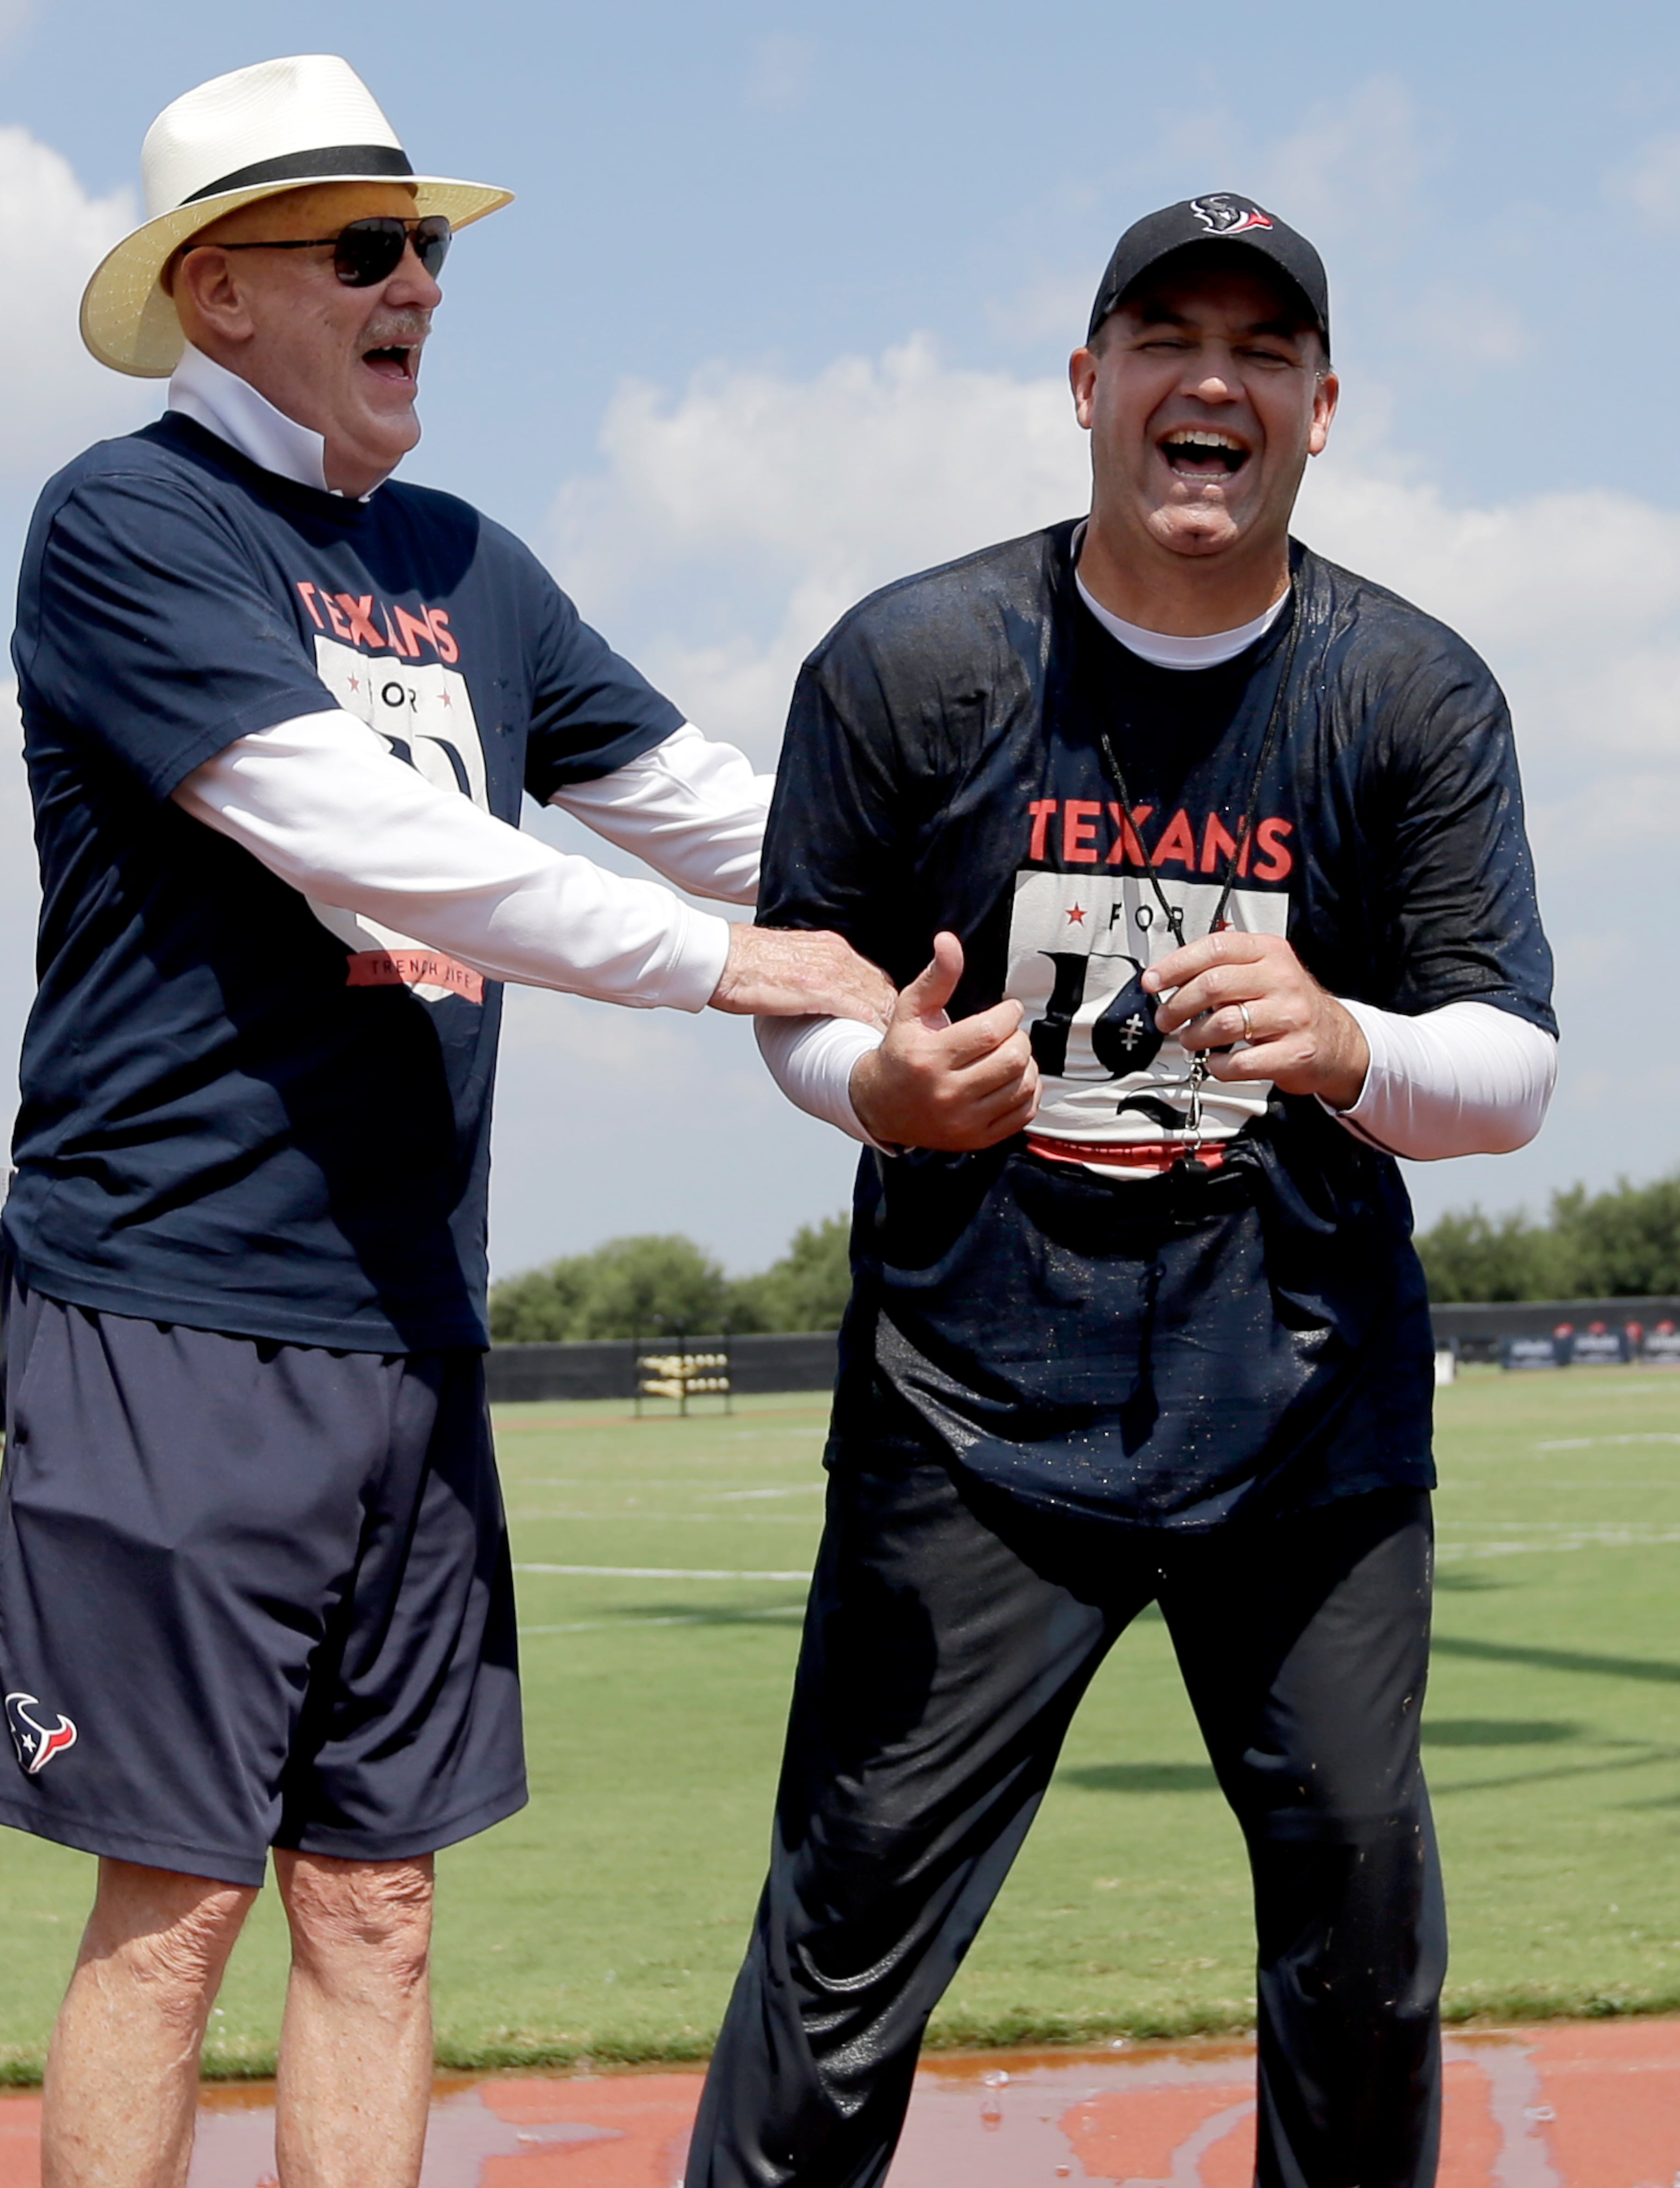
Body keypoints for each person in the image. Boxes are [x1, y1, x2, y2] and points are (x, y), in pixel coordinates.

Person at [0, 54, 890, 2188]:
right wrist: (724, 967)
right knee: (175, 1910)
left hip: (409, 1319)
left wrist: (984, 893)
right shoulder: (126, 523)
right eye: (369, 249)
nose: (423, 289)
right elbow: (368, 835)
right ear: (216, 294)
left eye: (433, 248)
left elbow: (738, 818)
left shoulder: (476, 564)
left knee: (378, 1902)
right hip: (174, 1310)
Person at [688, 194, 1557, 2188]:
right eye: (1168, 337)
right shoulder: (914, 663)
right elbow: (804, 1001)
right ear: (1090, 387)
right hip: (970, 1412)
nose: (1212, 382)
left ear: (1320, 411)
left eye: (1264, 352)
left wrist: (1348, 1043)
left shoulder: (1409, 696)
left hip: (1304, 1417)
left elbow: (1509, 1070)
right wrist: (885, 1092)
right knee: (841, 1951)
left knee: (1360, 1947)